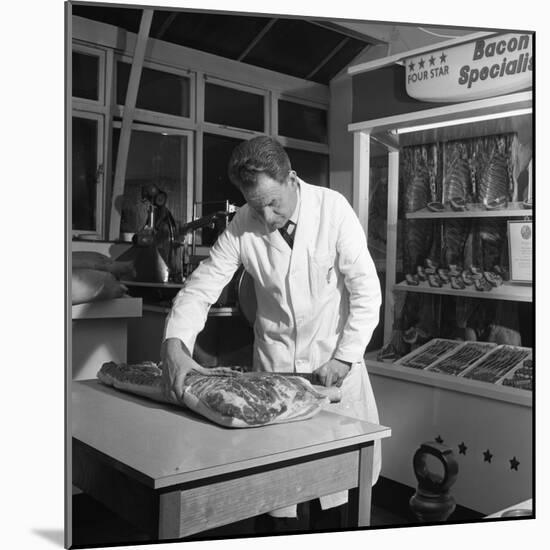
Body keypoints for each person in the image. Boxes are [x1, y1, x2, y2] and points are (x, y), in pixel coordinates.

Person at [161, 135, 382, 533]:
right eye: (255, 206)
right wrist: (175, 345)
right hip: (275, 380)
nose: (266, 217)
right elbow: (201, 288)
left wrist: (345, 357)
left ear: (291, 179)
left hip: (336, 376)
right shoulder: (242, 225)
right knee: (280, 507)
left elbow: (367, 291)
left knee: (339, 508)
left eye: (273, 203)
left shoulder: (332, 210)